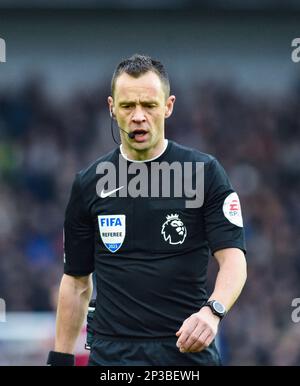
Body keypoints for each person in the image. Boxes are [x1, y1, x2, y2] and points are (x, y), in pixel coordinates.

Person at [47, 54, 247, 366]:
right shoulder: (89, 183)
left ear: (168, 106)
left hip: (185, 353)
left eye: (149, 106)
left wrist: (213, 312)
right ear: (112, 108)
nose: (138, 116)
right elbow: (75, 282)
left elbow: (234, 259)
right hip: (113, 356)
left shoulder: (204, 173)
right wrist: (59, 360)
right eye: (128, 106)